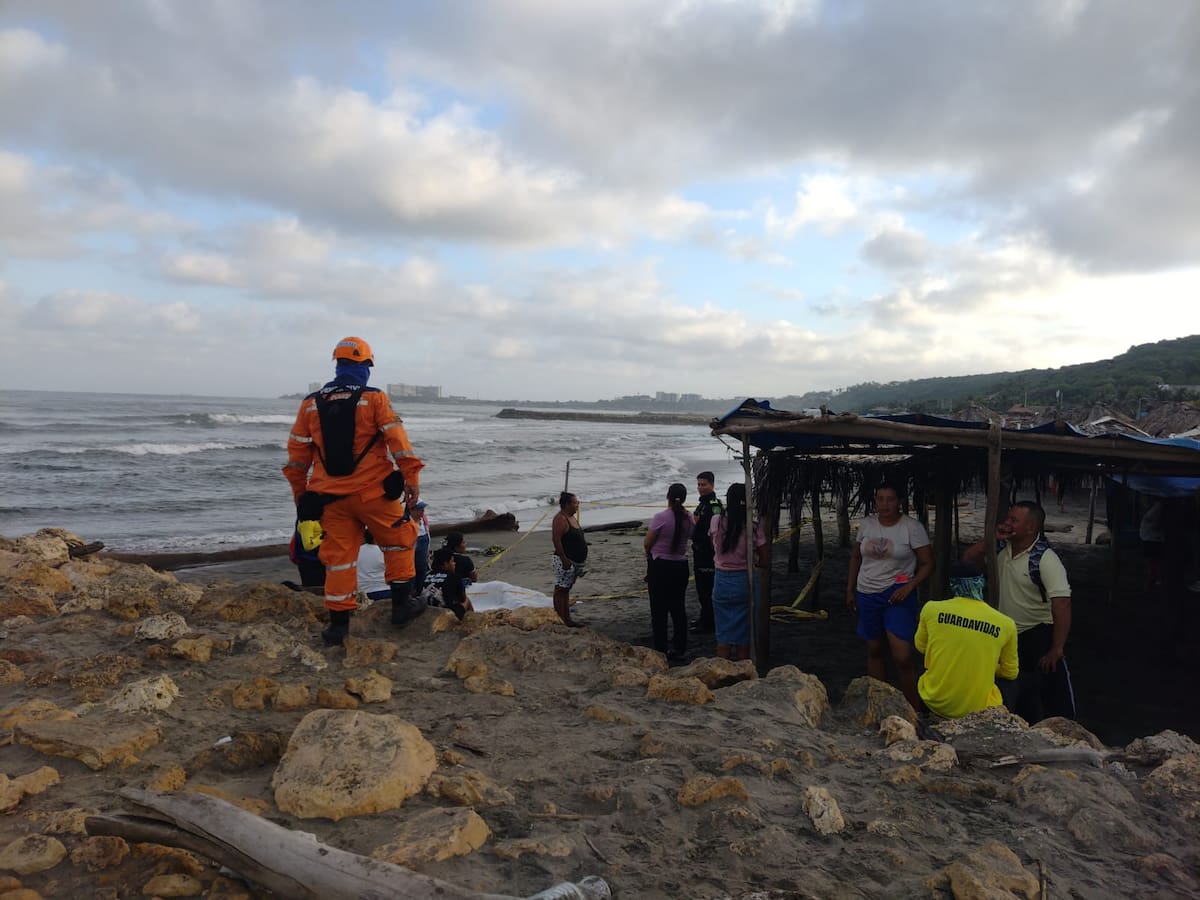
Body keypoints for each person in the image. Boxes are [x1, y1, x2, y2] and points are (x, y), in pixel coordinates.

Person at [282, 336, 424, 646]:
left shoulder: (310, 404)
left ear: (337, 365)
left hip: (330, 500)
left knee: (339, 559)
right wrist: (411, 479)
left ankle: (338, 625)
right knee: (399, 540)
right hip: (375, 495)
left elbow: (296, 458)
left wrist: (301, 496)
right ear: (366, 366)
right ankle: (401, 606)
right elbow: (397, 441)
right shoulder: (374, 399)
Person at [964, 500, 1074, 722]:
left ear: (1031, 528)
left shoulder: (1045, 559)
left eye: (1014, 520)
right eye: (1007, 518)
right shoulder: (1002, 549)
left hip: (1036, 634)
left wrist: (1057, 648)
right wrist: (991, 539)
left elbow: (1061, 603)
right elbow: (967, 561)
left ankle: (1065, 733)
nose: (1007, 523)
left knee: (1052, 690)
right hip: (1007, 635)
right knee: (1015, 687)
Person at [846, 484, 932, 712]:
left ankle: (914, 708)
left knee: (902, 655)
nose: (884, 504)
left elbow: (927, 563)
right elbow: (856, 557)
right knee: (874, 649)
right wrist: (850, 589)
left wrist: (910, 586)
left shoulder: (911, 528)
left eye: (890, 499)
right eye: (880, 499)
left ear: (900, 501)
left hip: (897, 593)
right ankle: (881, 704)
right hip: (867, 592)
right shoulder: (866, 524)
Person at [914, 561, 1018, 719]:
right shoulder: (1006, 624)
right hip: (978, 708)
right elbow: (1010, 673)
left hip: (934, 700)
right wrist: (986, 663)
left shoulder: (931, 609)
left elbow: (921, 647)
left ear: (952, 584)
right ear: (981, 583)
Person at [709, 483, 769, 661]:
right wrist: (754, 561)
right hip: (744, 581)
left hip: (721, 582)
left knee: (723, 634)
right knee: (745, 634)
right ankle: (743, 674)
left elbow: (713, 541)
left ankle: (723, 672)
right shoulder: (753, 527)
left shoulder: (716, 521)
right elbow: (765, 560)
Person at [644, 482, 694, 661]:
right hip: (680, 566)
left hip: (661, 566)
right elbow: (691, 536)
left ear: (668, 496)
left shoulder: (661, 517)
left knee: (659, 609)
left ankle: (661, 648)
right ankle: (680, 646)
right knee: (678, 607)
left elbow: (648, 543)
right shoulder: (689, 517)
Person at [690, 471, 723, 634]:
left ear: (712, 485)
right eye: (699, 485)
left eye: (704, 485)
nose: (700, 488)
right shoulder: (702, 503)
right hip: (698, 551)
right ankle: (704, 618)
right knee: (701, 590)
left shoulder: (714, 504)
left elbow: (715, 532)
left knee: (707, 589)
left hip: (708, 554)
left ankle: (709, 623)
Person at [551, 491, 588, 627]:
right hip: (564, 561)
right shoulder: (560, 519)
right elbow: (556, 540)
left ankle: (567, 619)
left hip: (575, 561)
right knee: (560, 590)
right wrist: (564, 559)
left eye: (577, 502)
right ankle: (561, 619)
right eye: (574, 503)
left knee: (566, 590)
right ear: (567, 504)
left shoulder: (572, 517)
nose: (577, 505)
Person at [426, 546, 473, 620]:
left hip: (426, 610)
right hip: (445, 613)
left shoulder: (426, 575)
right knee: (467, 600)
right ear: (445, 564)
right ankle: (472, 619)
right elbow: (462, 599)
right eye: (452, 561)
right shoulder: (454, 577)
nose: (454, 564)